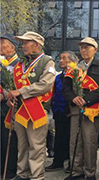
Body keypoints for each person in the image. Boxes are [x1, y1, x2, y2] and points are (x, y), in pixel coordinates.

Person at [6, 31, 56, 180]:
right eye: (22, 42)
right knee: (22, 146)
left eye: (26, 42)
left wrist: (20, 91)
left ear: (36, 44)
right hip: (20, 111)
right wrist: (10, 96)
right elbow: (13, 85)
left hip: (37, 111)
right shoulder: (21, 63)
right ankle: (22, 173)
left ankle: (36, 176)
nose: (23, 46)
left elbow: (45, 85)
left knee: (36, 146)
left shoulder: (47, 61)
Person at [62, 37, 99, 180]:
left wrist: (87, 99)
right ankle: (76, 171)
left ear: (95, 50)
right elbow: (66, 88)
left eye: (87, 47)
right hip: (75, 109)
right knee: (75, 141)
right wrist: (73, 98)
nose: (84, 50)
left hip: (92, 109)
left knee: (89, 142)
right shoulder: (74, 67)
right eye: (82, 47)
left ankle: (89, 173)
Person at [45, 51, 79, 172]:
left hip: (70, 109)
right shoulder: (59, 76)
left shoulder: (76, 74)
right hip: (58, 109)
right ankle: (57, 161)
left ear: (72, 61)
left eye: (64, 58)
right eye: (60, 58)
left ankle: (72, 163)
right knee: (59, 136)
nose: (61, 61)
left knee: (71, 137)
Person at [0, 34, 19, 179]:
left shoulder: (19, 64)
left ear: (12, 46)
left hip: (11, 108)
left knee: (10, 140)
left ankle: (10, 170)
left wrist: (5, 94)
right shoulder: (2, 64)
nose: (0, 46)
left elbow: (20, 86)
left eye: (2, 43)